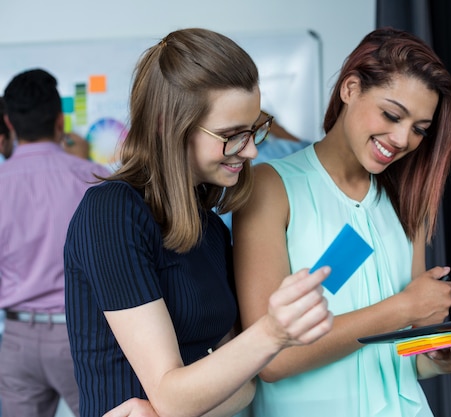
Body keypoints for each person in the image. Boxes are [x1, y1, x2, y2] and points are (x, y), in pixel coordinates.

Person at [63, 27, 333, 417]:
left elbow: (244, 385)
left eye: (254, 129)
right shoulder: (111, 213)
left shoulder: (207, 224)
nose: (252, 148)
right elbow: (176, 396)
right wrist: (272, 333)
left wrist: (181, 405)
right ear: (166, 124)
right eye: (231, 135)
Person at [232, 27, 451, 417]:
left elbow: (405, 351)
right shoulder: (271, 188)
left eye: (419, 129)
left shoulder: (406, 200)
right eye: (391, 114)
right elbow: (271, 361)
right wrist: (403, 308)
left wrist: (440, 356)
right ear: (350, 88)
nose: (401, 139)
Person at [0, 69, 111, 417]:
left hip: (16, 339)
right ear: (60, 122)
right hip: (82, 337)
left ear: (9, 123)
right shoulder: (96, 179)